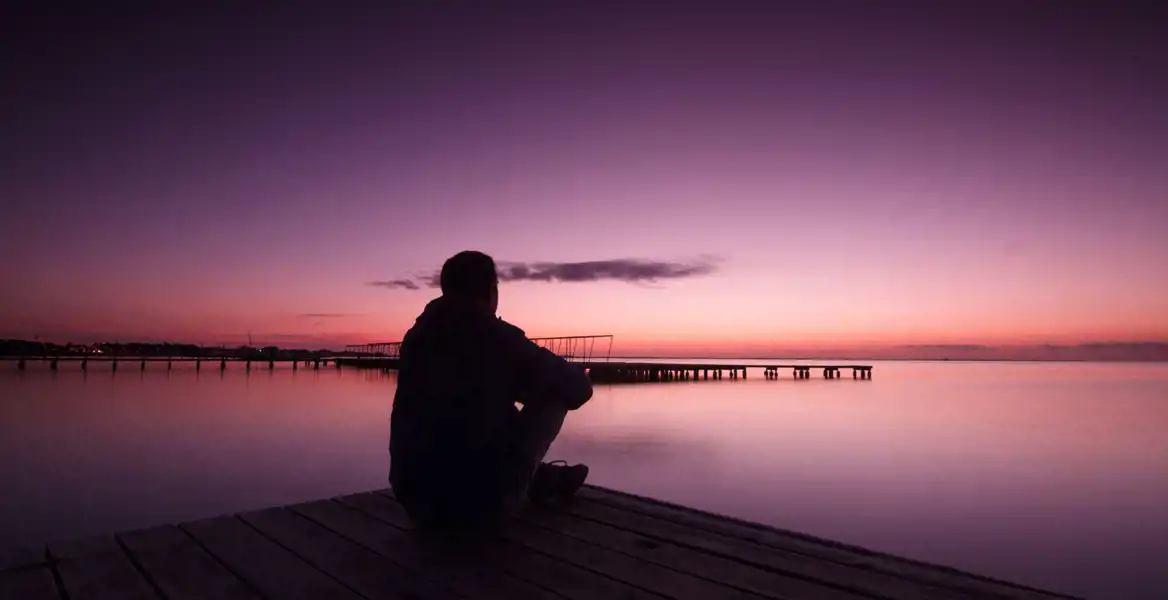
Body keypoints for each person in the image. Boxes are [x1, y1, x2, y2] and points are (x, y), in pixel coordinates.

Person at [389, 250, 593, 534]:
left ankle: (540, 478)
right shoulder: (496, 337)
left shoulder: (416, 338)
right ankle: (529, 481)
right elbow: (579, 389)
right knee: (556, 394)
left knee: (479, 413)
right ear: (491, 290)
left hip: (416, 504)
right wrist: (535, 385)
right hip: (480, 511)